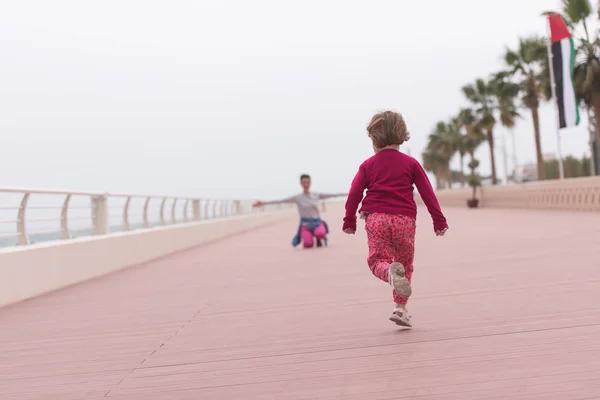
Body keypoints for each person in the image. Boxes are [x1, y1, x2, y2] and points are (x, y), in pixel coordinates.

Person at [342, 111, 448, 328]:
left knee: (377, 261)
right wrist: (439, 220)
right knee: (405, 264)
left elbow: (354, 193)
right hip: (404, 221)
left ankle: (389, 275)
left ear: (374, 138)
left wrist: (349, 220)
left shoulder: (368, 165)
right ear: (402, 134)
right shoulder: (411, 163)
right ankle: (400, 309)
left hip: (376, 219)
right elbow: (427, 193)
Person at [253, 174, 346, 248]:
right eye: (304, 182)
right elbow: (281, 201)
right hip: (305, 224)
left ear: (310, 183)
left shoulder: (316, 195)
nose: (306, 184)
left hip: (317, 222)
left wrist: (351, 193)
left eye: (307, 182)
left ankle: (318, 238)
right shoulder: (298, 198)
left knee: (320, 233)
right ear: (301, 184)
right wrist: (264, 203)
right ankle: (309, 237)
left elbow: (333, 195)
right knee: (308, 244)